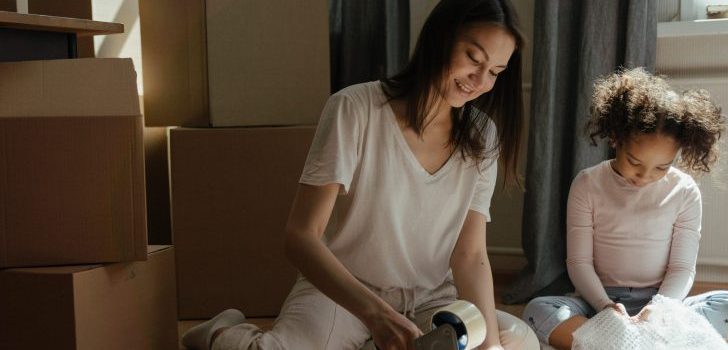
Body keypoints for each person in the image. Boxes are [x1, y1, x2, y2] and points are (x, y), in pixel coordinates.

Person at [182, 0, 540, 349]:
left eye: (494, 71)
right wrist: (375, 315)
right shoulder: (354, 109)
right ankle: (222, 332)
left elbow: (470, 254)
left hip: (431, 299)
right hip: (343, 293)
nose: (479, 80)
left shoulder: (482, 136)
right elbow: (300, 236)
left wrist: (491, 345)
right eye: (473, 58)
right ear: (441, 37)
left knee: (515, 340)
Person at [522, 68, 728, 349]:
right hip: (599, 304)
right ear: (616, 139)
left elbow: (681, 267)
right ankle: (650, 343)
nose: (644, 176)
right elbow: (579, 263)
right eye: (634, 161)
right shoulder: (586, 184)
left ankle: (615, 343)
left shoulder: (685, 191)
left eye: (661, 167)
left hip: (662, 305)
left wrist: (659, 309)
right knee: (538, 310)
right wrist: (605, 306)